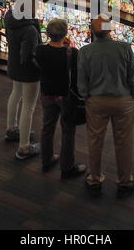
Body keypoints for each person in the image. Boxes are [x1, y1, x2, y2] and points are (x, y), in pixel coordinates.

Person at [77, 14, 134, 198]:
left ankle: (94, 180)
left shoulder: (85, 51)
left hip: (96, 101)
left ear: (94, 31)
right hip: (123, 100)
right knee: (124, 142)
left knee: (95, 141)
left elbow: (82, 83)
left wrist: (87, 97)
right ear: (109, 29)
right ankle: (125, 181)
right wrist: (132, 96)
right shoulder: (124, 48)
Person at [35, 18, 86, 179]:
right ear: (65, 34)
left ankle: (46, 160)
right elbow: (76, 76)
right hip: (65, 96)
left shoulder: (40, 50)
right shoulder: (72, 52)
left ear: (48, 34)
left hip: (46, 94)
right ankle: (67, 167)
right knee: (68, 131)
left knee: (47, 128)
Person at [5, 5, 41, 160]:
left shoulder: (10, 18)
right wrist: (42, 68)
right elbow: (29, 56)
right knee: (29, 107)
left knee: (15, 94)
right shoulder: (29, 30)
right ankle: (24, 147)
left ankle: (11, 128)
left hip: (14, 65)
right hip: (28, 73)